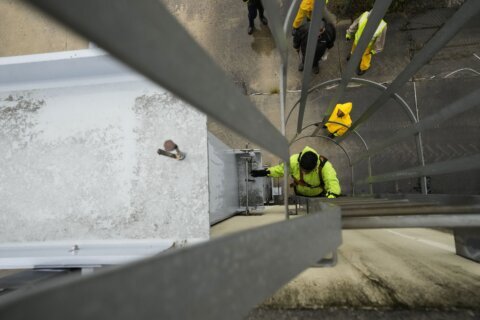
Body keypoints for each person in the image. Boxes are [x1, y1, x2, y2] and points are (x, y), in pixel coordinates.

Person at [250, 146, 341, 198]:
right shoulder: (293, 161)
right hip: (299, 192)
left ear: (315, 167)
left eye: (307, 171)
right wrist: (265, 172)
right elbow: (280, 170)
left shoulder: (324, 166)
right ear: (300, 162)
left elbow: (332, 181)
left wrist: (332, 197)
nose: (304, 173)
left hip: (316, 195)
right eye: (302, 170)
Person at [346, 11, 387, 75]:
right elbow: (355, 24)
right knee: (354, 48)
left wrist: (374, 50)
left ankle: (364, 68)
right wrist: (349, 33)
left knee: (366, 57)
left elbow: (381, 40)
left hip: (368, 46)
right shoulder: (365, 15)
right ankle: (352, 55)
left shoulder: (382, 26)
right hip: (357, 40)